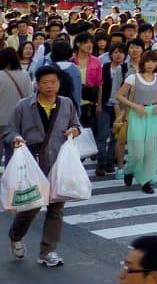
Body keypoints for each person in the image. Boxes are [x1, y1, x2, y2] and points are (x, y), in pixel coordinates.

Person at [6, 65, 82, 267]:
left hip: (58, 163)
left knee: (56, 208)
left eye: (54, 82)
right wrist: (16, 139)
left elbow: (77, 125)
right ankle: (15, 235)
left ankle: (48, 251)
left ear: (59, 84)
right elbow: (10, 130)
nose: (50, 86)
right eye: (45, 82)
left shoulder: (66, 104)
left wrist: (74, 131)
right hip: (32, 163)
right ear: (37, 84)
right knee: (31, 206)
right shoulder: (24, 106)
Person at [116, 48, 157, 194]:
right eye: (148, 61)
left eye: (153, 61)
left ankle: (146, 181)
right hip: (136, 114)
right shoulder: (133, 78)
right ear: (143, 63)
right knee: (137, 151)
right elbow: (119, 95)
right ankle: (129, 170)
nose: (150, 64)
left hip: (154, 115)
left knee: (151, 151)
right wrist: (135, 106)